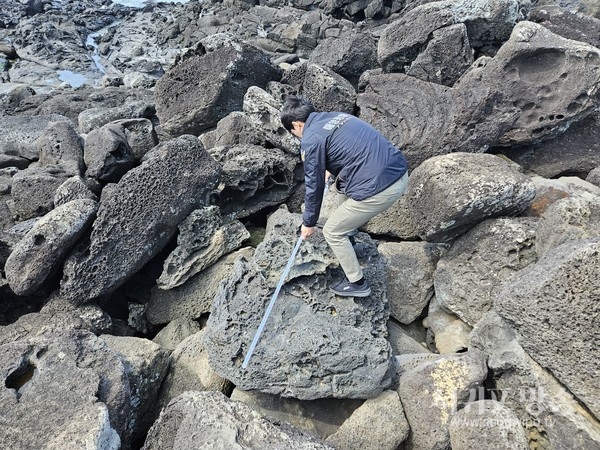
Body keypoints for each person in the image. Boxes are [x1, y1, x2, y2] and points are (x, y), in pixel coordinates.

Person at [280, 95, 409, 297]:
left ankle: (357, 284)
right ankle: (349, 236)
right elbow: (350, 147)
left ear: (296, 125)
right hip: (399, 170)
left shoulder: (311, 139)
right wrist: (331, 168)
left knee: (332, 231)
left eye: (293, 132)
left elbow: (314, 185)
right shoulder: (338, 116)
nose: (296, 136)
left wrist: (308, 222)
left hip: (383, 187)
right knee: (340, 188)